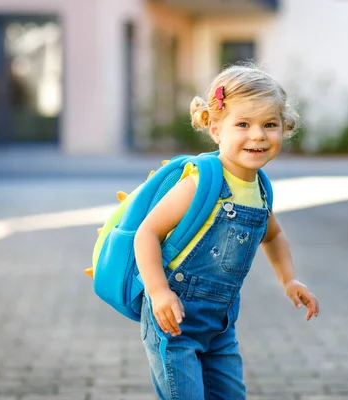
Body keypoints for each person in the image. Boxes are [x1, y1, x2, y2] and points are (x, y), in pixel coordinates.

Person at [134, 63, 320, 400]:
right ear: (216, 129)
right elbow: (146, 233)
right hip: (173, 323)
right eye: (243, 124)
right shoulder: (201, 182)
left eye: (270, 124)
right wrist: (159, 292)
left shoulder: (260, 188)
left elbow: (273, 235)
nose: (258, 135)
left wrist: (289, 279)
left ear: (285, 128)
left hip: (220, 327)